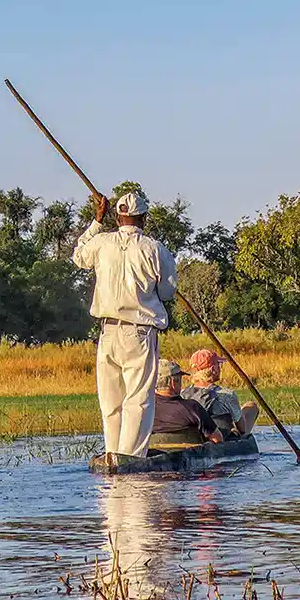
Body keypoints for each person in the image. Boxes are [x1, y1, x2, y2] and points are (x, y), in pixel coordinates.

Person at [72, 191, 177, 458]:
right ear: (143, 217)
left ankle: (112, 455)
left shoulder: (101, 242)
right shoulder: (155, 248)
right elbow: (167, 293)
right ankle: (129, 460)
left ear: (117, 217)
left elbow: (79, 256)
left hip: (107, 332)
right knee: (138, 400)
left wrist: (95, 222)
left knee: (111, 402)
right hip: (140, 333)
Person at [181, 349, 259, 436]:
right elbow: (242, 429)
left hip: (194, 439)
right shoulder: (226, 395)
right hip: (222, 440)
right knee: (252, 406)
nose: (220, 368)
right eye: (219, 364)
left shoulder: (182, 394)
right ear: (213, 368)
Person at [152, 360, 224, 444]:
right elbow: (217, 439)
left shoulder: (144, 409)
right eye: (179, 379)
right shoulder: (192, 408)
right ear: (173, 383)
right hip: (191, 455)